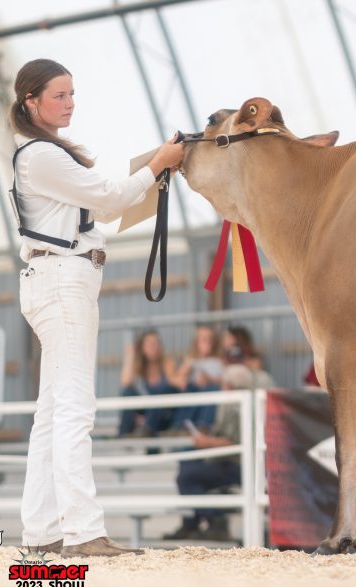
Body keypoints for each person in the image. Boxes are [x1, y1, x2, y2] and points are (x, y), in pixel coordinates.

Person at [11, 58, 184, 557]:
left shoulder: (44, 154)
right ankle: (83, 531)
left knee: (52, 411)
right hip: (63, 279)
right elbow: (109, 199)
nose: (70, 104)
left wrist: (154, 169)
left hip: (57, 278)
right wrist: (158, 164)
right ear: (31, 102)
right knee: (74, 407)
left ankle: (43, 531)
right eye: (59, 95)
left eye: (71, 94)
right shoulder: (41, 156)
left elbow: (102, 204)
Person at [163, 364, 272, 541]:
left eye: (224, 384)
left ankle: (214, 519)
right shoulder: (245, 404)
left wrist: (206, 442)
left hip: (238, 465)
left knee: (186, 476)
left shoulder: (237, 407)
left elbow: (232, 443)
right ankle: (196, 522)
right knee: (188, 466)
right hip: (238, 463)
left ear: (230, 386)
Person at [119, 329, 181, 436]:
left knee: (162, 392)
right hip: (145, 413)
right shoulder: (139, 366)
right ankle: (124, 435)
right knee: (127, 392)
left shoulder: (167, 362)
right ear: (142, 347)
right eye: (150, 344)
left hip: (163, 414)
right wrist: (130, 356)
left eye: (156, 343)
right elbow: (125, 382)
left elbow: (177, 384)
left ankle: (146, 428)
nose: (154, 347)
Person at [172, 325, 223, 431]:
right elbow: (178, 380)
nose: (208, 342)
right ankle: (181, 425)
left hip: (209, 393)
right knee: (189, 389)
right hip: (193, 392)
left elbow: (223, 379)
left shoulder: (218, 361)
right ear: (196, 342)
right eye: (204, 339)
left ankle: (203, 425)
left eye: (210, 339)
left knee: (211, 389)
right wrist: (188, 367)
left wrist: (209, 380)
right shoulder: (190, 361)